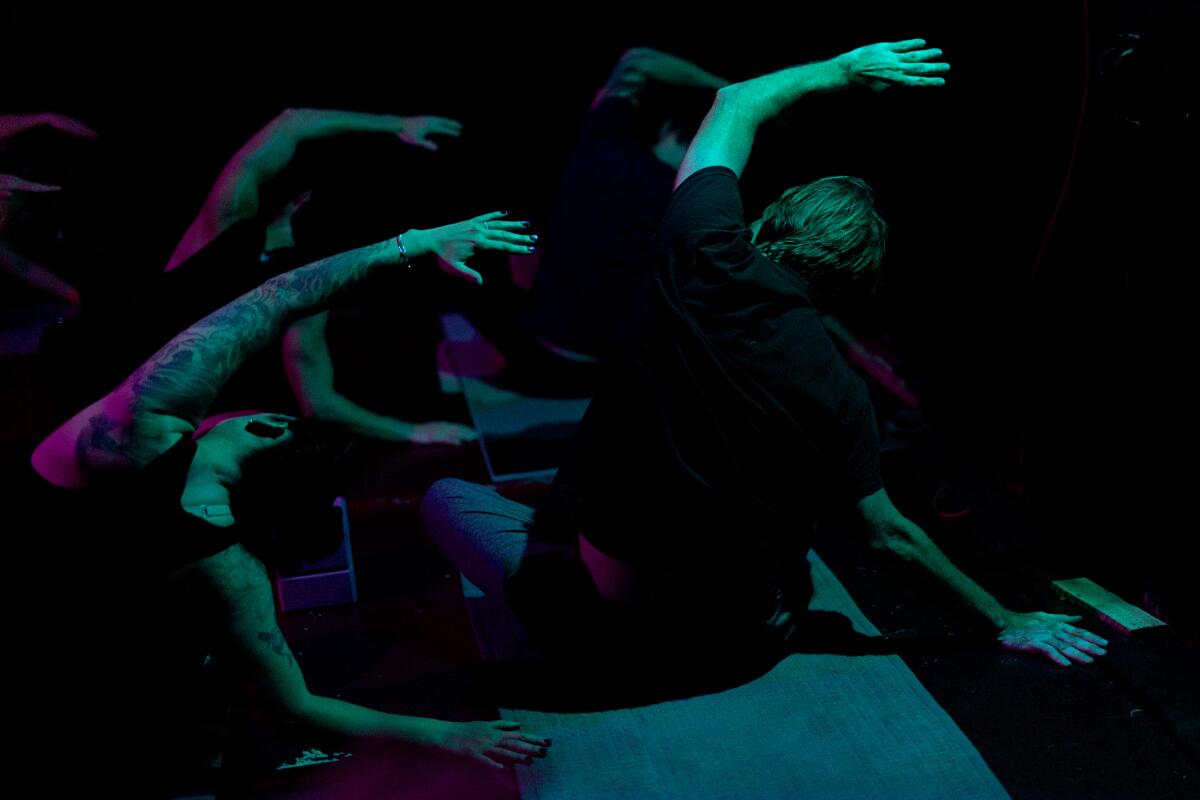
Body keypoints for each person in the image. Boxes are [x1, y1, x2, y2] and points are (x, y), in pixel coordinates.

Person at [422, 39, 1109, 670]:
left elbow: (736, 101)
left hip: (619, 627)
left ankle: (579, 625)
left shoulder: (696, 245)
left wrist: (844, 72)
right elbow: (888, 537)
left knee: (449, 499)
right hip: (747, 637)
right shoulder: (837, 390)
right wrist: (1002, 619)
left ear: (768, 218)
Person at [23, 211, 547, 791]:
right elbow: (296, 706)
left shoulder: (138, 429)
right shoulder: (232, 568)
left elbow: (278, 298)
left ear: (271, 427)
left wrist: (414, 243)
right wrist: (449, 735)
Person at [510, 47, 727, 393]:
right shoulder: (695, 205)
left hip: (544, 352)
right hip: (618, 372)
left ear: (669, 127)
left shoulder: (603, 145)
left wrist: (724, 89)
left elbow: (638, 61)